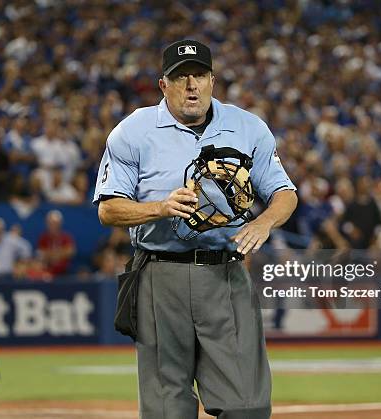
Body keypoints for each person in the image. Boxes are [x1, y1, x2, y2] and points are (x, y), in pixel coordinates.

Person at [94, 40, 297, 419]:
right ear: (163, 85)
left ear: (212, 80)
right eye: (181, 77)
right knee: (167, 409)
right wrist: (160, 207)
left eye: (199, 75)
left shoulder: (247, 127)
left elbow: (285, 192)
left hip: (226, 273)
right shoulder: (133, 131)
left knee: (247, 407)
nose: (192, 85)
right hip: (160, 273)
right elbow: (108, 209)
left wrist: (264, 222)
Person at [36, 209, 76, 276]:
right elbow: (41, 254)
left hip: (64, 272)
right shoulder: (43, 238)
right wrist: (61, 253)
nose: (53, 226)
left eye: (55, 223)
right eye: (50, 223)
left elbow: (71, 252)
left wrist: (51, 255)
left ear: (60, 224)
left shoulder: (66, 237)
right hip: (47, 272)